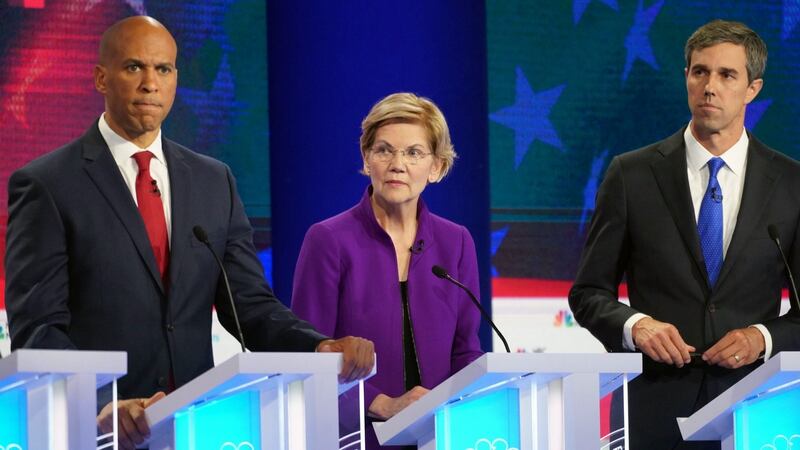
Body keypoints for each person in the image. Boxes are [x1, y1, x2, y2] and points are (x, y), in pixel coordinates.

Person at [4, 16, 374, 450]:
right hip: (100, 433)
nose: (150, 84)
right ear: (101, 78)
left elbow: (249, 306)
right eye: (133, 67)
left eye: (163, 69)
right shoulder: (48, 183)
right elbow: (38, 328)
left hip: (199, 428)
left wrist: (317, 348)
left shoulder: (213, 180)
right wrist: (103, 403)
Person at [569, 19, 800, 450]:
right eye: (700, 72)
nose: (710, 86)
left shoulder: (790, 183)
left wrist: (762, 339)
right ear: (687, 78)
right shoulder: (632, 174)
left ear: (753, 88)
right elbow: (587, 294)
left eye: (727, 75)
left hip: (757, 410)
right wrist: (635, 326)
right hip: (655, 407)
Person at [291, 92, 483, 449]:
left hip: (440, 437)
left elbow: (466, 351)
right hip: (355, 436)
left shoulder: (456, 241)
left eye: (414, 153)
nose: (397, 164)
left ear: (437, 167)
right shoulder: (328, 240)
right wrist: (383, 405)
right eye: (384, 150)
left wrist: (457, 411)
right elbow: (307, 356)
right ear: (366, 159)